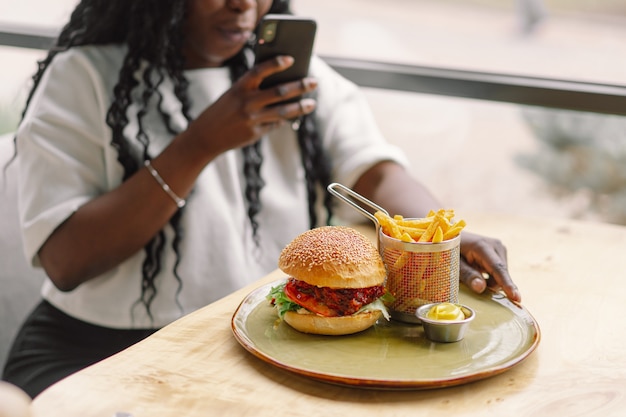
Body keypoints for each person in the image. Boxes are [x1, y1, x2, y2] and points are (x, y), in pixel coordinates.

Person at [2, 0, 521, 398]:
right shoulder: (83, 76)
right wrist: (200, 143)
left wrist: (436, 235)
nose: (243, 3)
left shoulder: (288, 77)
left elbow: (376, 172)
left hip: (248, 348)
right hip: (94, 352)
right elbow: (65, 260)